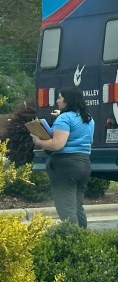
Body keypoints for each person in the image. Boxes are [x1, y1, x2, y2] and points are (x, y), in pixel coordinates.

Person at [31, 87, 94, 227]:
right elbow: (75, 127)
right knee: (77, 206)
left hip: (65, 166)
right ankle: (83, 237)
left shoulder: (64, 119)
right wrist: (61, 116)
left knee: (66, 208)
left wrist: (39, 141)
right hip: (84, 163)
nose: (57, 101)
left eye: (60, 97)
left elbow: (57, 145)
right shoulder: (88, 118)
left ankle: (71, 237)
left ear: (67, 100)